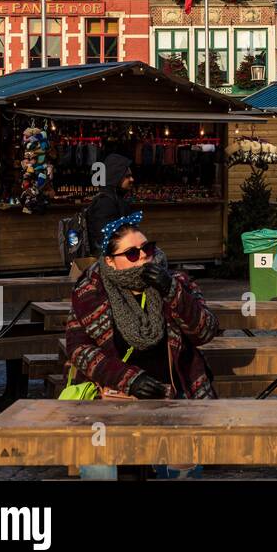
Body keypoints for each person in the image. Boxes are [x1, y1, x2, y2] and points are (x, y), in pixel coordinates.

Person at [66, 212, 219, 400]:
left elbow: (206, 332)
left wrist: (171, 290)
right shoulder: (90, 292)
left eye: (147, 247)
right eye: (132, 253)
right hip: (115, 398)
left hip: (178, 395)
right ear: (110, 261)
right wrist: (129, 380)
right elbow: (79, 349)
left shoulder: (177, 282)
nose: (143, 255)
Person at [86, 154, 136, 257]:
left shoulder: (116, 198)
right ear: (115, 177)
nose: (132, 179)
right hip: (111, 263)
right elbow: (105, 238)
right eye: (127, 176)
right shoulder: (105, 202)